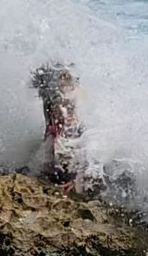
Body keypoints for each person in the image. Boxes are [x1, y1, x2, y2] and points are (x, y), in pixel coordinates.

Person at [30, 63, 100, 193]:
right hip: (60, 124)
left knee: (70, 138)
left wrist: (75, 179)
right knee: (52, 158)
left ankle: (72, 179)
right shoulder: (53, 101)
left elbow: (78, 143)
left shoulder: (72, 107)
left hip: (75, 138)